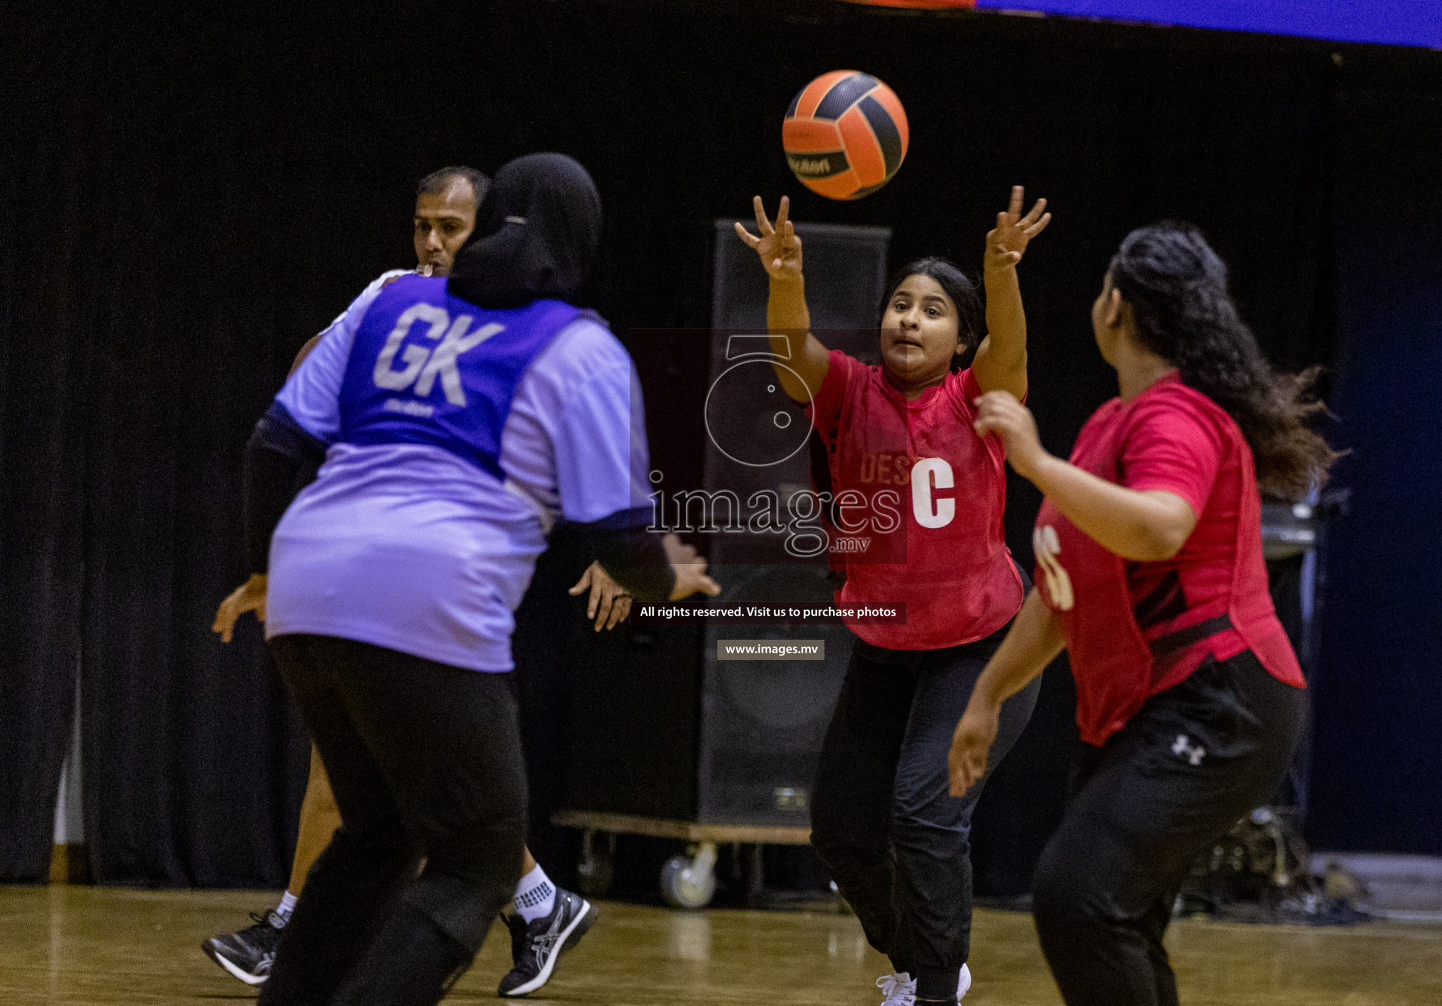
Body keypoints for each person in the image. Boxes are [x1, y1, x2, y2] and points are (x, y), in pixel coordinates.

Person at [227, 153, 717, 1006]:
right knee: (476, 860)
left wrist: (269, 571)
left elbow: (273, 447)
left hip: (305, 588)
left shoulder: (389, 300)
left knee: (377, 832)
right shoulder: (580, 345)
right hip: (429, 596)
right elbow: (618, 542)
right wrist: (665, 575)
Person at [949, 222, 1336, 1006]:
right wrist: (987, 694)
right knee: (1113, 915)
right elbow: (1064, 594)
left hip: (1222, 697)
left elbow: (1162, 525)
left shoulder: (1177, 417)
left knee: (1076, 896)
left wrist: (1035, 463)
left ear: (1114, 306)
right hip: (1154, 704)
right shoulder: (1108, 426)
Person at [734, 188, 1050, 1006]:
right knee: (840, 832)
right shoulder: (846, 391)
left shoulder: (980, 395)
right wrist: (784, 277)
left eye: (934, 310)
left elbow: (1010, 347)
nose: (910, 319)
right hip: (885, 648)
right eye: (900, 304)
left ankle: (935, 992)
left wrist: (1001, 271)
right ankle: (924, 961)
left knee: (923, 814)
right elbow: (789, 349)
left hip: (981, 648)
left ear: (962, 338)